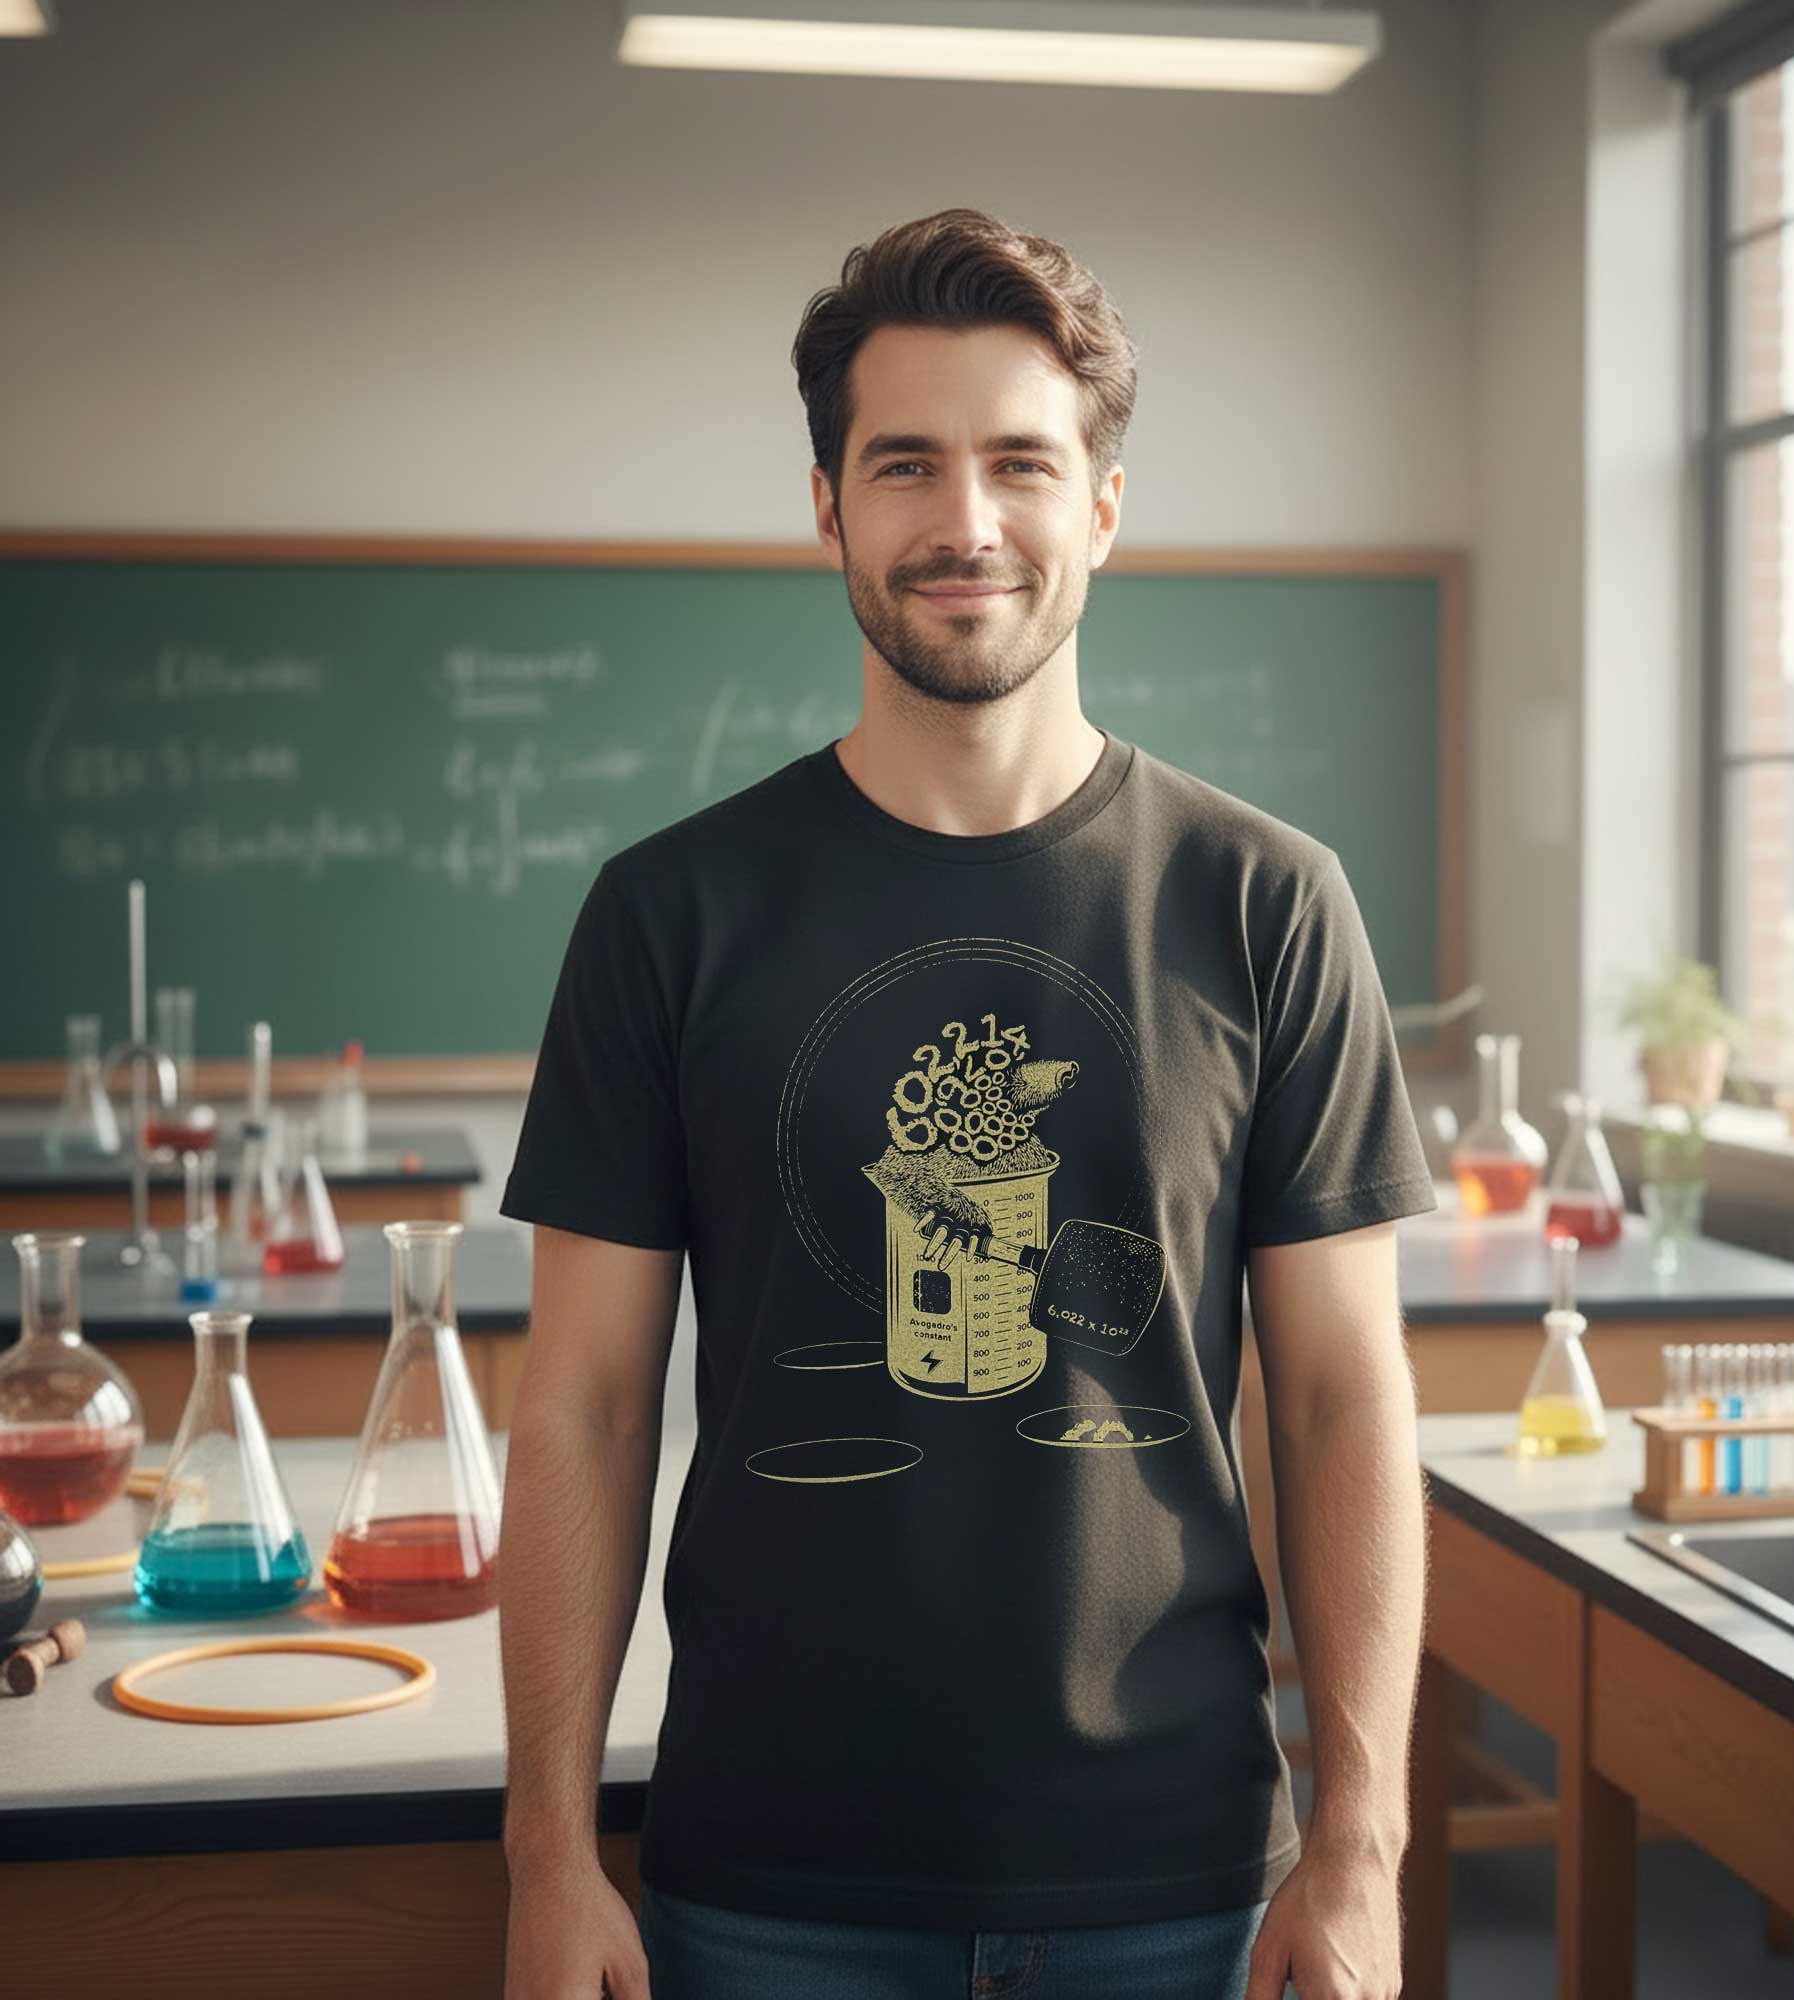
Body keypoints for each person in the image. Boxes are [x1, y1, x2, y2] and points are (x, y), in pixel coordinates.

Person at [498, 208, 1437, 2000]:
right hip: (767, 1881)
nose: (966, 522)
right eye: (904, 464)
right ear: (830, 508)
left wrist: (1363, 1844)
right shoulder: (669, 914)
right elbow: (589, 1407)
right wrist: (547, 1849)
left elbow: (1336, 1400)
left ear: (1100, 508)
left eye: (1022, 462)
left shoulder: (1266, 902)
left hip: (1176, 1879)